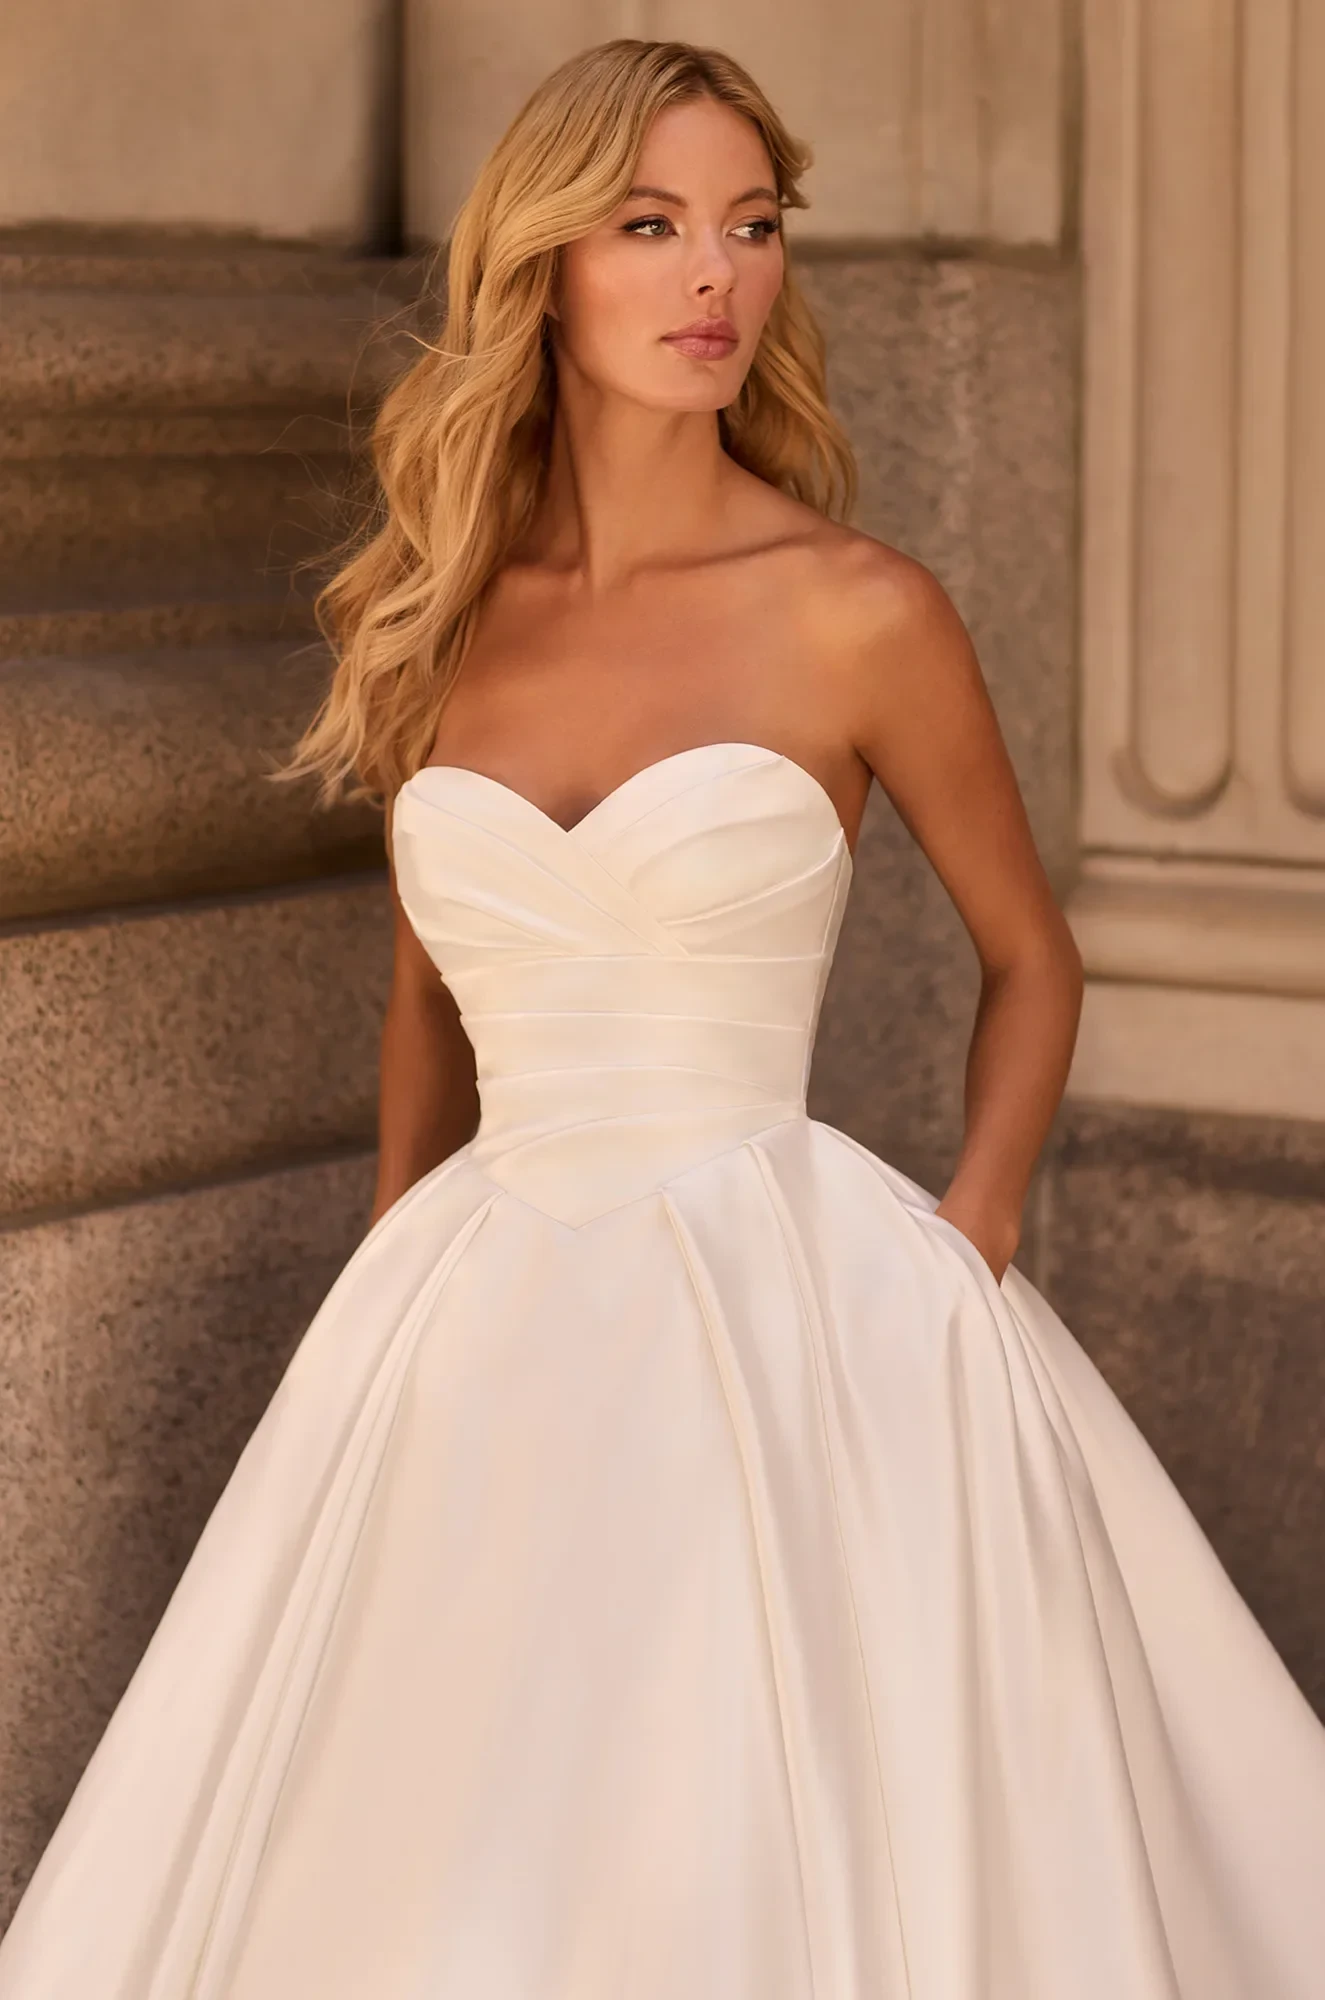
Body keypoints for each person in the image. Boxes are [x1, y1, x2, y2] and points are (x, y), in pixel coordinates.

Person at [2, 35, 1323, 2000]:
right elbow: (425, 993)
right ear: (544, 267)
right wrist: (391, 1260)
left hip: (782, 1293)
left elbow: (1028, 954)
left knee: (734, 1808)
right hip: (475, 1296)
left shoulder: (853, 607)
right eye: (649, 226)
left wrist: (967, 1237)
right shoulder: (443, 614)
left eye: (749, 226)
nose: (713, 277)